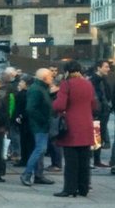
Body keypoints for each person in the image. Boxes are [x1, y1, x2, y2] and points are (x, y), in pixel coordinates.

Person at [52, 61, 98, 197]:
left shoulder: (67, 84)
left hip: (71, 125)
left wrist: (53, 103)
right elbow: (94, 104)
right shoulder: (88, 84)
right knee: (84, 160)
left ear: (67, 71)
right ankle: (84, 188)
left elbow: (60, 105)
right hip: (86, 124)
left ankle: (70, 188)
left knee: (71, 161)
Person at [20, 68, 56, 187]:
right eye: (51, 76)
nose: (52, 78)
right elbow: (31, 108)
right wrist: (43, 119)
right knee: (40, 149)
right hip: (39, 125)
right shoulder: (36, 89)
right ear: (44, 78)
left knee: (40, 150)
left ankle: (39, 175)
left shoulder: (41, 88)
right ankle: (27, 173)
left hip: (41, 124)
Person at [90, 60, 111, 168]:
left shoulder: (103, 80)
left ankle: (96, 160)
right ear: (99, 68)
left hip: (103, 112)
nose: (108, 69)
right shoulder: (93, 80)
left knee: (98, 136)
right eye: (106, 67)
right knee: (95, 135)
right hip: (97, 112)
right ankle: (94, 160)